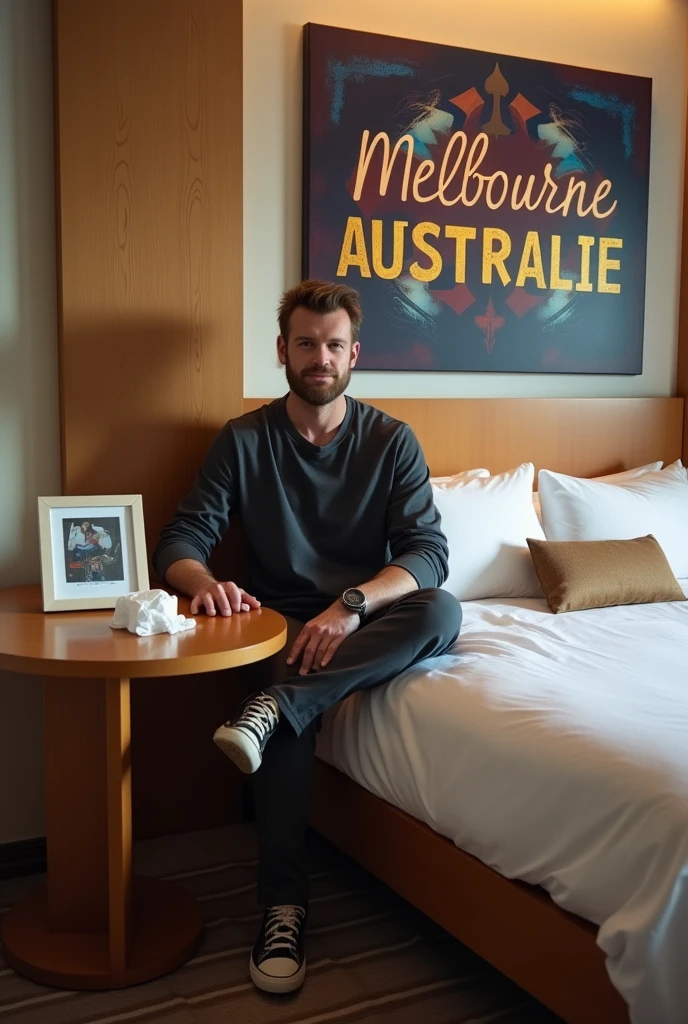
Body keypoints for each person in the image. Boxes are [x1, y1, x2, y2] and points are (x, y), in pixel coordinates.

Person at [153, 279, 462, 995]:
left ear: (354, 354)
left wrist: (351, 605)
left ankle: (278, 707)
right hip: (279, 616)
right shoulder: (245, 438)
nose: (319, 358)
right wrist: (204, 586)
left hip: (364, 615)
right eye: (305, 344)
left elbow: (426, 553)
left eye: (332, 345)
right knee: (283, 680)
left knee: (443, 610)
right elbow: (182, 538)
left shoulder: (391, 440)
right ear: (282, 352)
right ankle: (281, 905)